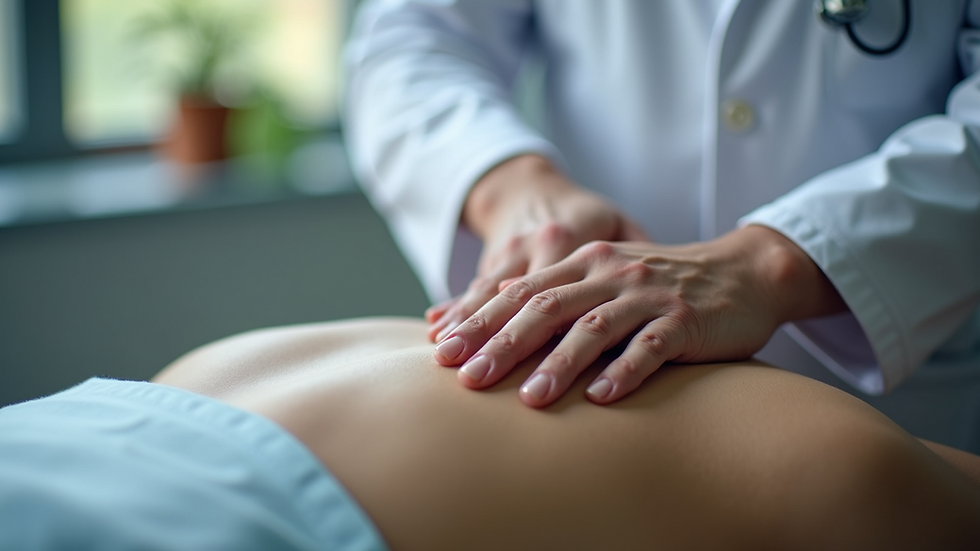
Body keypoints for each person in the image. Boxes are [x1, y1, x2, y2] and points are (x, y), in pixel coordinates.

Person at [343, 0, 980, 448]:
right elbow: (412, 36)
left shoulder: (866, 467)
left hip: (898, 381)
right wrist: (513, 188)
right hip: (588, 384)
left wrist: (775, 264)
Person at [2, 317, 979, 549]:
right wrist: (504, 177)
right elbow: (418, 34)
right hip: (173, 404)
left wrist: (786, 251)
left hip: (186, 414)